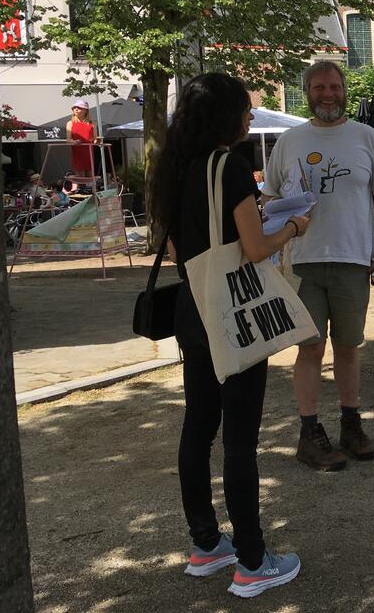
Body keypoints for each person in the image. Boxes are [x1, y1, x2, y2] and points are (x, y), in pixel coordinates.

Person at [147, 72, 309, 598]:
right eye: (244, 108)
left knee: (198, 426)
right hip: (233, 314)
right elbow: (256, 249)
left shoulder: (175, 168)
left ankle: (204, 544)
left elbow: (178, 250)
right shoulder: (231, 167)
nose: (250, 116)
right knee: (241, 439)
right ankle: (253, 561)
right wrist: (293, 227)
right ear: (225, 115)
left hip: (191, 311)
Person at [263, 60, 374, 471]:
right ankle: (309, 433)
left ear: (344, 89)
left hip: (353, 258)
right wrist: (277, 237)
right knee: (310, 347)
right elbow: (268, 197)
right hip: (302, 261)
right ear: (307, 91)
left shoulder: (365, 135)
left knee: (349, 346)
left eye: (335, 86)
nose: (328, 94)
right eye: (319, 87)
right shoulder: (289, 140)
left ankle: (351, 425)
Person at [66, 99, 96, 178]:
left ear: (85, 110)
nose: (76, 109)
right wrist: (74, 141)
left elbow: (95, 138)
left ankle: (91, 189)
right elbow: (68, 139)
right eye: (74, 108)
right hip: (77, 151)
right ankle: (81, 188)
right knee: (80, 173)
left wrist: (97, 141)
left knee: (90, 173)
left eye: (79, 108)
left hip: (88, 151)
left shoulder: (92, 124)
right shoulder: (70, 123)